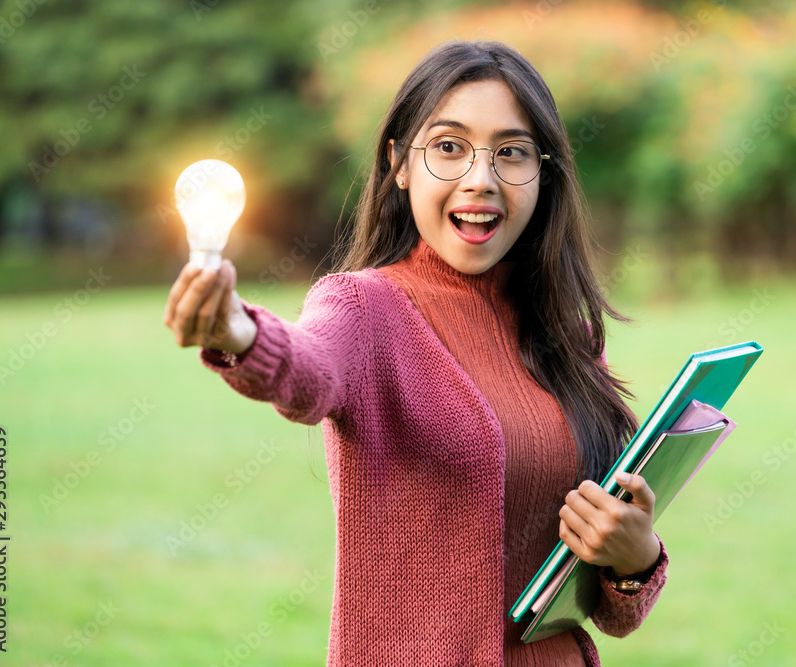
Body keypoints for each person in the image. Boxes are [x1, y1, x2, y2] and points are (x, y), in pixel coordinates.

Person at [164, 39, 667, 666]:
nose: (480, 181)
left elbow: (609, 613)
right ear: (399, 163)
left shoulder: (565, 333)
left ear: (544, 173)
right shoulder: (364, 307)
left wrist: (635, 558)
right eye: (449, 147)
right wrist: (237, 333)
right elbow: (309, 370)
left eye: (510, 153)